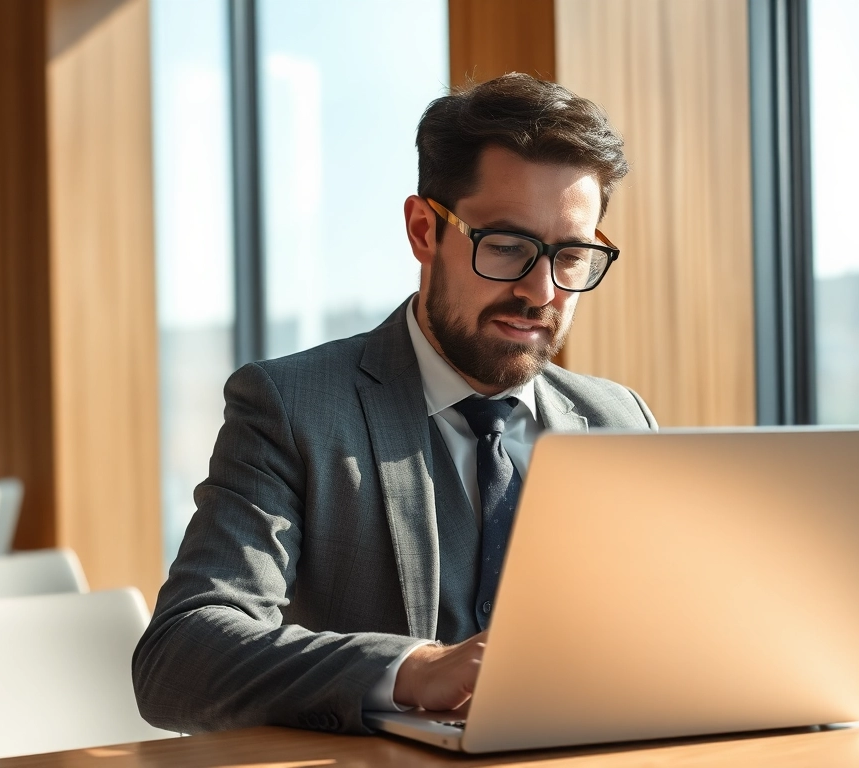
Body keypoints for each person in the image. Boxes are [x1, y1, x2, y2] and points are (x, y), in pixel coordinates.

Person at [132, 73, 656, 735]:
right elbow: (179, 655)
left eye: (571, 255)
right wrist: (411, 669)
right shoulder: (292, 407)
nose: (541, 291)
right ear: (423, 230)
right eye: (506, 247)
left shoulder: (618, 419)